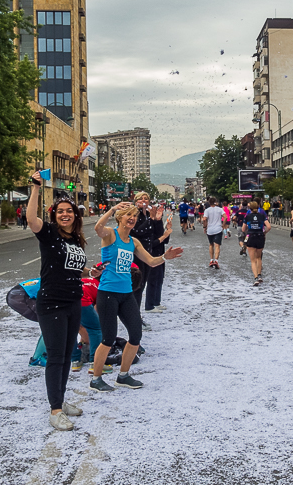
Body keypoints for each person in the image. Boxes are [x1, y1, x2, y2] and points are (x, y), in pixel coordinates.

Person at [90, 203, 182, 391]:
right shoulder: (110, 234)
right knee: (107, 338)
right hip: (107, 293)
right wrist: (112, 209)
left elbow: (151, 261)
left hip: (126, 294)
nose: (132, 218)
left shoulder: (134, 242)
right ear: (120, 218)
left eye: (134, 215)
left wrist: (165, 257)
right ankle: (96, 379)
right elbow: (97, 228)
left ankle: (123, 375)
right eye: (128, 215)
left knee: (136, 335)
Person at [27, 173, 87, 431]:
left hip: (73, 302)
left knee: (66, 356)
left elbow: (74, 269)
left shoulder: (76, 240)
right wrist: (36, 187)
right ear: (55, 215)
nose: (65, 214)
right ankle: (55, 411)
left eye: (69, 211)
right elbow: (31, 218)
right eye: (60, 211)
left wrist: (90, 272)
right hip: (52, 303)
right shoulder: (50, 234)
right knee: (55, 357)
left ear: (75, 215)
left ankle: (60, 400)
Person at [131, 193, 171, 315]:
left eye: (146, 198)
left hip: (151, 252)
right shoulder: (134, 215)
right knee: (138, 286)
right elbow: (138, 232)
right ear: (135, 201)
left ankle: (143, 311)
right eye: (140, 199)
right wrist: (151, 220)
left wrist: (158, 221)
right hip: (138, 254)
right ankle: (135, 315)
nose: (144, 201)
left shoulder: (148, 214)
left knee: (151, 281)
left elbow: (156, 235)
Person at [242, 200, 271, 285]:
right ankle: (260, 275)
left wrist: (249, 227)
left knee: (253, 260)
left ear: (249, 208)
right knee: (259, 257)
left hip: (251, 236)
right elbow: (269, 227)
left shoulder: (247, 216)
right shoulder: (262, 216)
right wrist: (264, 232)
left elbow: (243, 229)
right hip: (260, 236)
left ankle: (255, 278)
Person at [203, 197, 225, 269]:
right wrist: (223, 225)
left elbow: (204, 219)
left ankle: (211, 260)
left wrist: (205, 227)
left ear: (209, 203)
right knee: (217, 245)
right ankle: (216, 260)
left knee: (211, 244)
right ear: (215, 202)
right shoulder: (219, 209)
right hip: (218, 229)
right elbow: (226, 217)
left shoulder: (207, 210)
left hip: (210, 229)